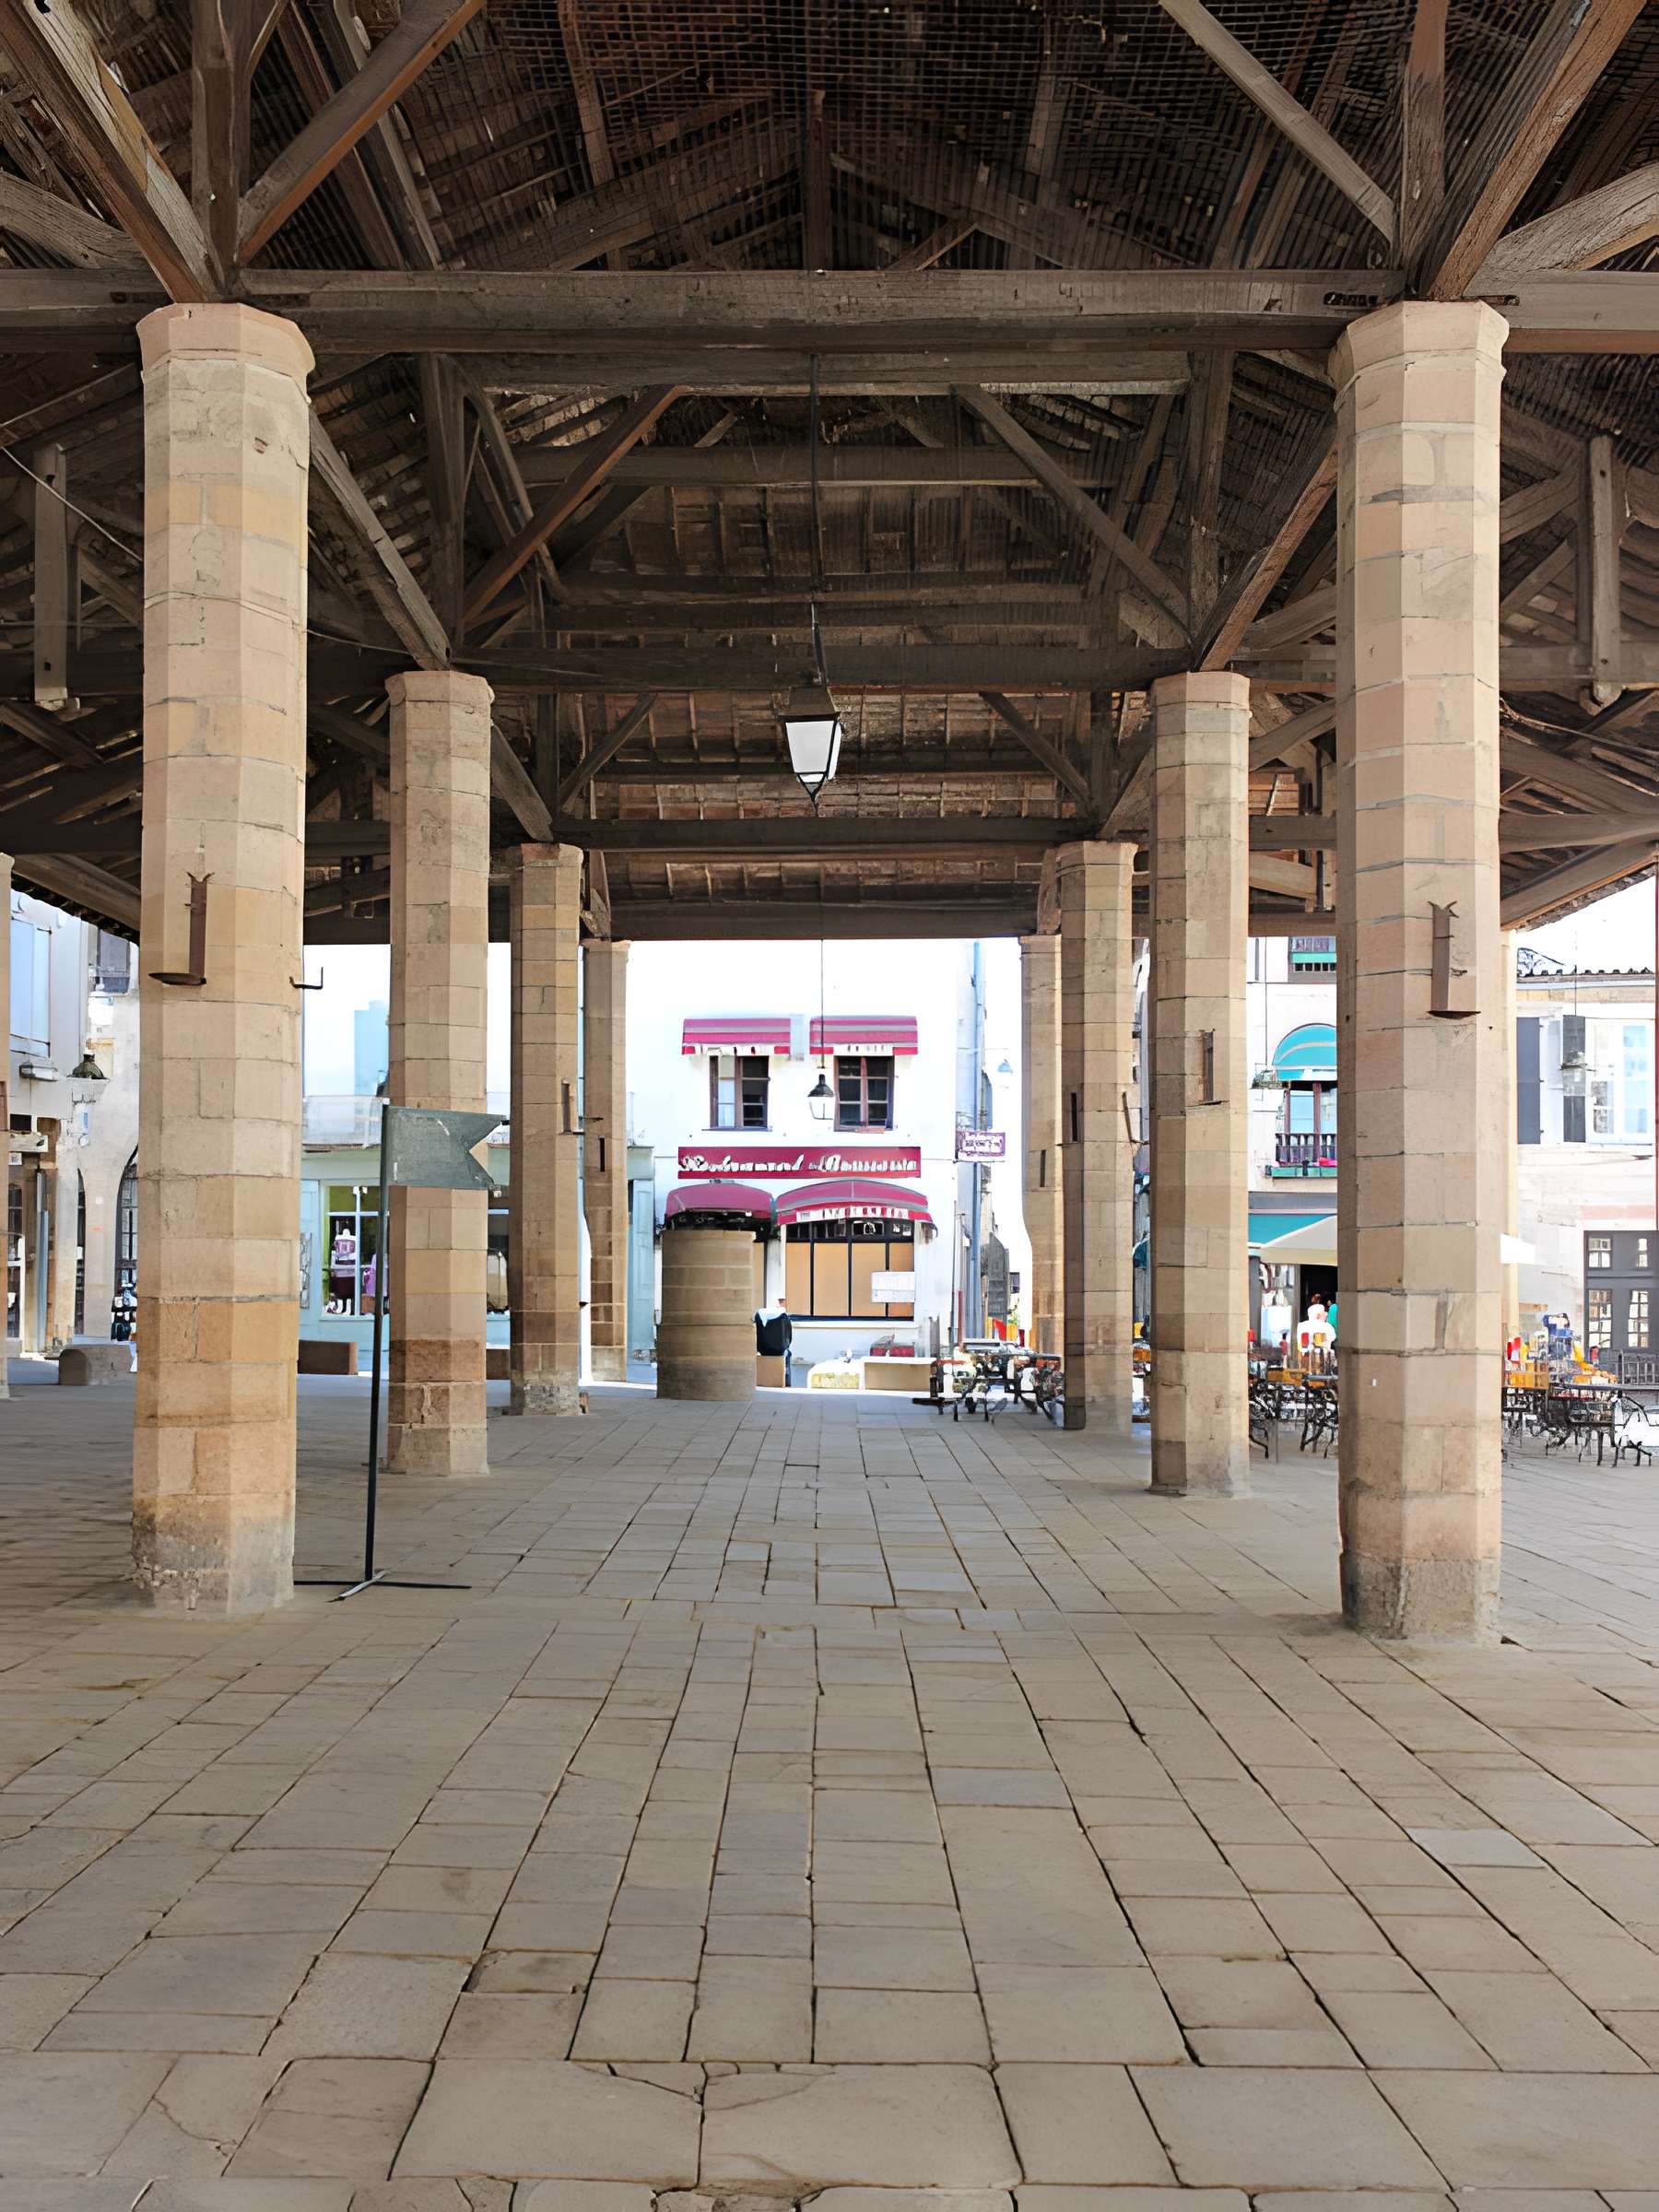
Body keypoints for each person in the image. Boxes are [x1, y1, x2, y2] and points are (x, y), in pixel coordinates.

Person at [755, 1301, 793, 1386]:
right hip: (779, 1351)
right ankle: (784, 1382)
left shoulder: (760, 1316)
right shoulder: (784, 1317)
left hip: (764, 1350)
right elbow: (789, 1335)